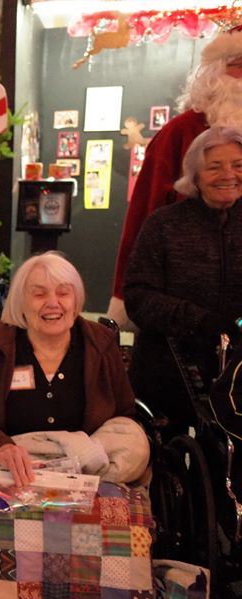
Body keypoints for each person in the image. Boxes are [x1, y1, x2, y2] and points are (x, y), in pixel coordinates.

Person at [0, 252, 143, 487]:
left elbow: (124, 414)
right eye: (39, 294)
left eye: (63, 293)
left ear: (76, 300)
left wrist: (88, 453)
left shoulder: (100, 343)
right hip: (15, 471)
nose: (53, 302)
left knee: (136, 440)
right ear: (21, 301)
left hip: (87, 469)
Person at [109, 24, 242, 330]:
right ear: (215, 73)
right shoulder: (179, 133)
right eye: (239, 66)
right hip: (180, 321)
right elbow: (146, 211)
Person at [124, 126, 242, 431]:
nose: (228, 174)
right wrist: (198, 320)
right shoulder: (164, 225)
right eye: (214, 166)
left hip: (237, 379)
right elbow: (137, 296)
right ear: (195, 176)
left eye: (238, 165)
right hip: (169, 375)